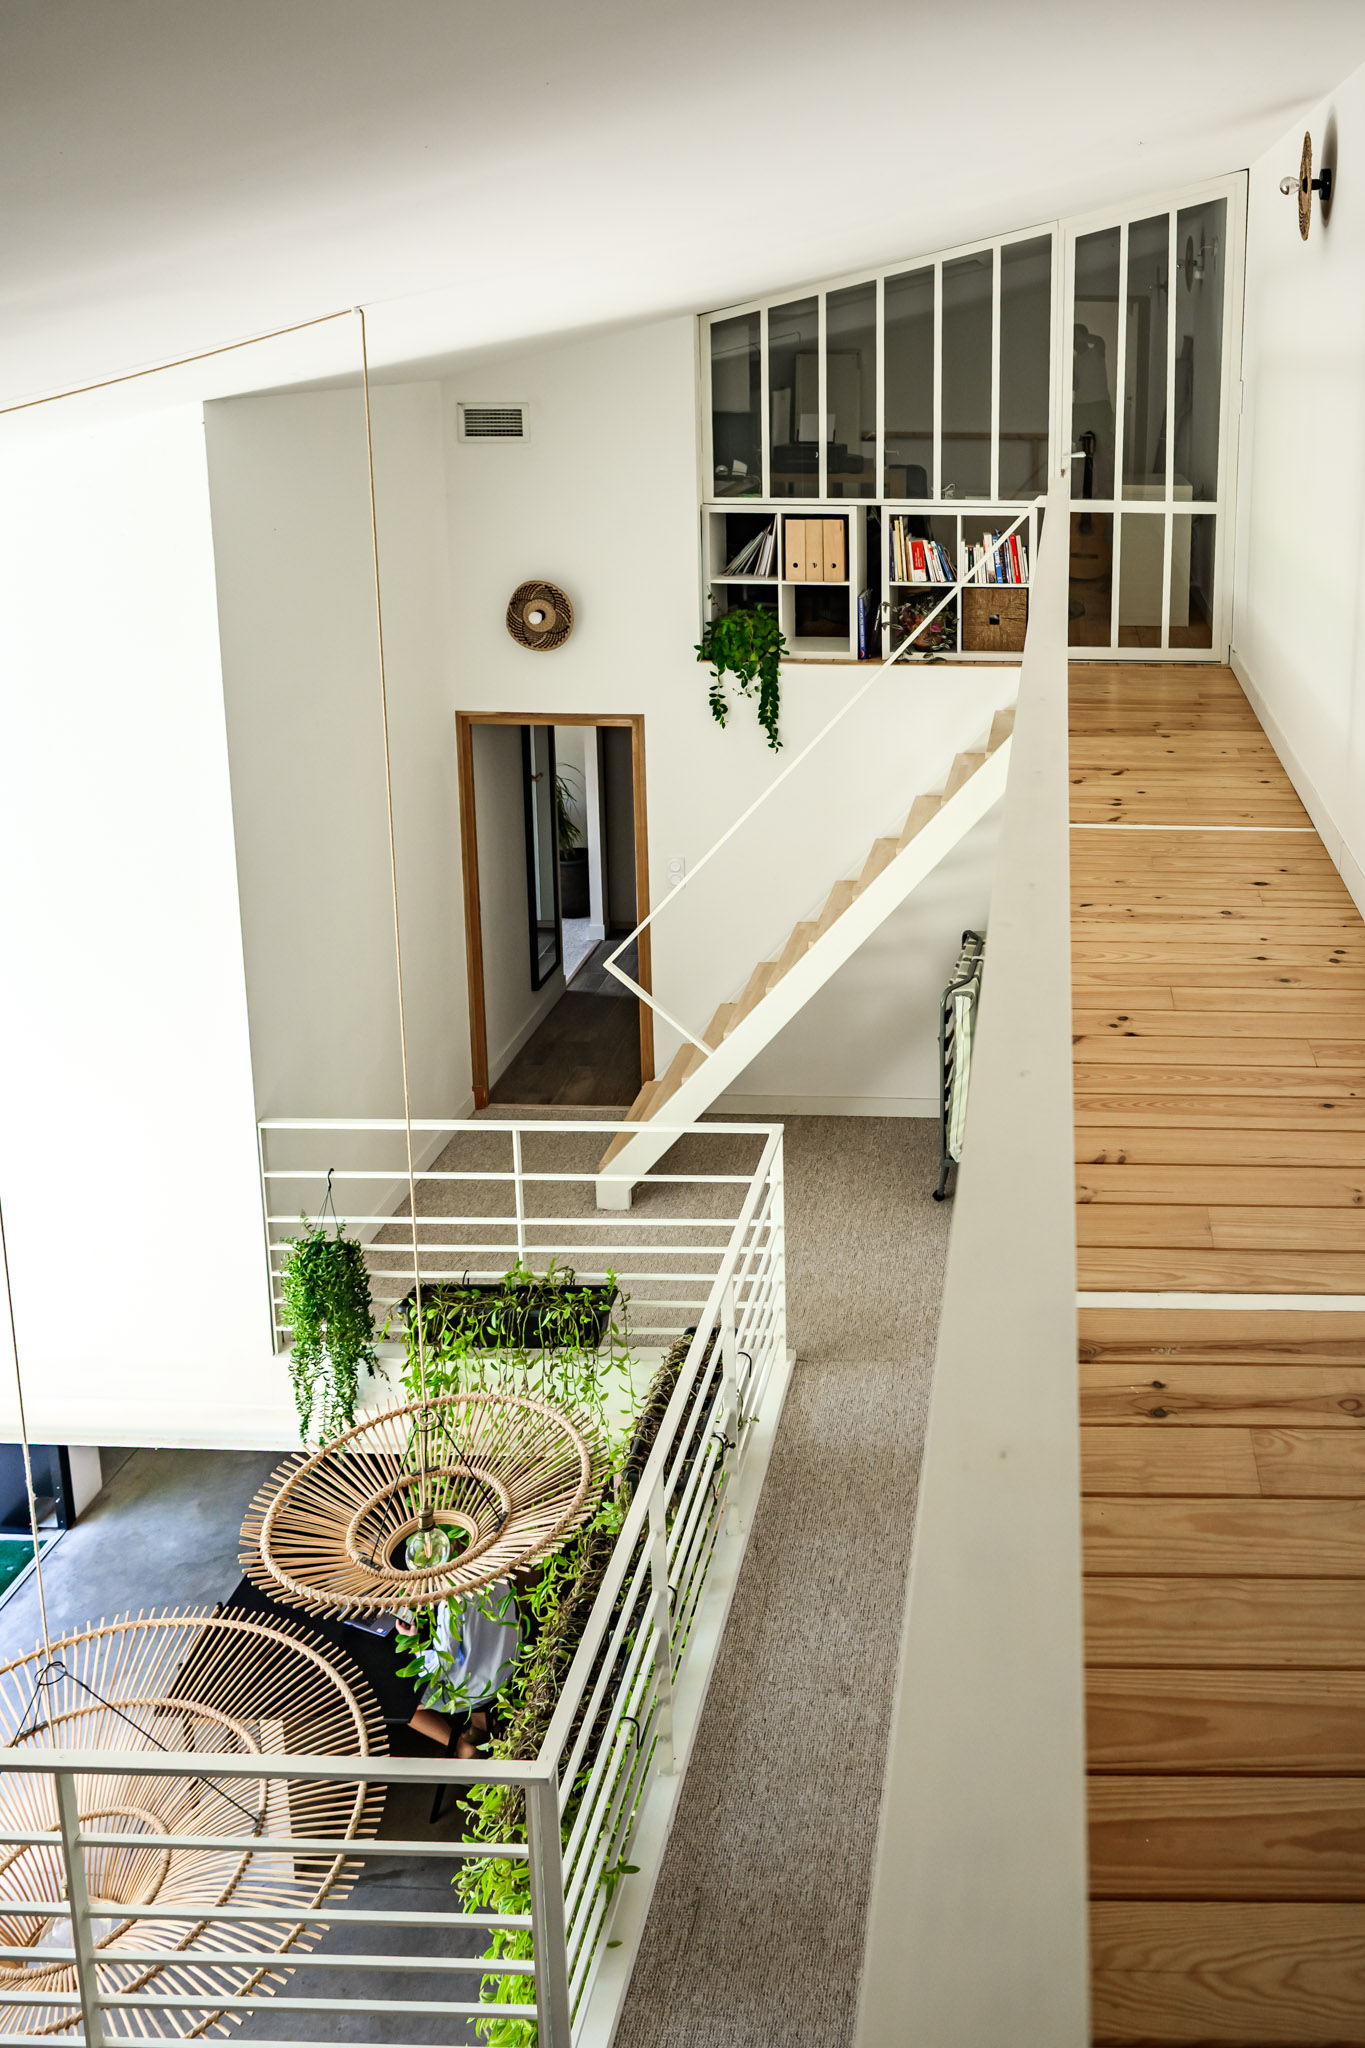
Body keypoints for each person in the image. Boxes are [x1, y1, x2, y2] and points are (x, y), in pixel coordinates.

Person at [399, 1579, 521, 1757]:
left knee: (401, 1704)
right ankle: (482, 1724)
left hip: (474, 1690)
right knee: (472, 1644)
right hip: (507, 1663)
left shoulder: (451, 1606)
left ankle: (461, 1747)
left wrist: (413, 1645)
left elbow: (438, 1669)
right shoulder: (491, 1569)